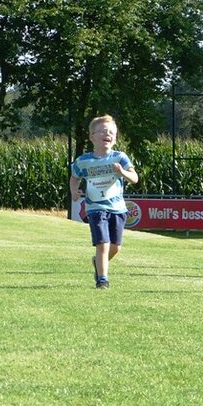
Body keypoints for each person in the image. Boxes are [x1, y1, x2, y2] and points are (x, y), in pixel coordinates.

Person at [70, 115, 139, 289]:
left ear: (115, 138)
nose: (107, 134)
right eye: (102, 131)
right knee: (103, 244)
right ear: (92, 137)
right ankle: (102, 280)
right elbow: (74, 177)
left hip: (117, 208)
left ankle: (98, 262)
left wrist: (122, 172)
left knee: (115, 247)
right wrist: (74, 190)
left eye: (111, 132)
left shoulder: (120, 157)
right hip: (95, 208)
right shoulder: (83, 161)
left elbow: (135, 178)